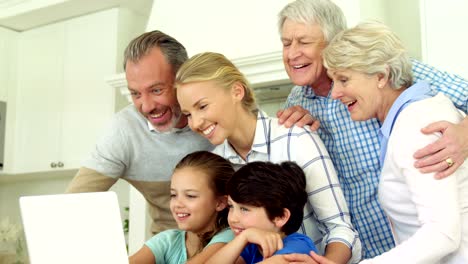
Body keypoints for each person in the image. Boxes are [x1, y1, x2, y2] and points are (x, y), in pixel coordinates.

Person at [65, 30, 310, 234]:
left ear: (182, 78)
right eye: (135, 93)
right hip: (171, 245)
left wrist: (298, 115)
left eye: (157, 90)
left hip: (234, 244)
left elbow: (267, 143)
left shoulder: (222, 117)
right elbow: (72, 204)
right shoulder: (123, 132)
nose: (147, 105)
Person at [276, 0, 468, 258]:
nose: (292, 53)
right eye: (286, 43)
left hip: (418, 247)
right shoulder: (295, 105)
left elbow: (442, 233)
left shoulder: (394, 78)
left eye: (303, 42)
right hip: (369, 250)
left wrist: (465, 133)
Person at [175, 52, 361, 264]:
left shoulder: (295, 138)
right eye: (188, 114)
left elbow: (339, 227)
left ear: (236, 91)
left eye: (202, 106)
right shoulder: (217, 165)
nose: (196, 123)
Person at [129, 151, 235, 264]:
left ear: (220, 202)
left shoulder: (231, 237)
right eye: (173, 195)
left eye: (190, 196)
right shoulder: (167, 240)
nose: (178, 204)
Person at [206, 161, 318, 264]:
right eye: (231, 206)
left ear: (280, 216)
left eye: (244, 209)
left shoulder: (297, 248)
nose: (233, 219)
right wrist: (244, 237)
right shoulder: (252, 246)